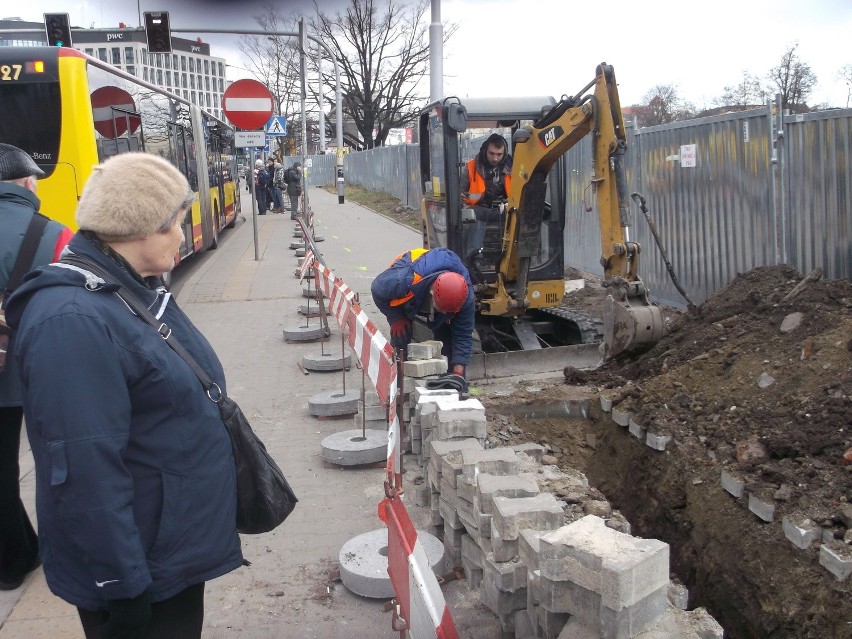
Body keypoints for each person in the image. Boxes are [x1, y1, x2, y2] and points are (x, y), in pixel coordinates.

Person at [5, 153, 244, 638]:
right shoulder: (73, 318)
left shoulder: (124, 290)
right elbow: (83, 466)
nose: (183, 233)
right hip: (139, 567)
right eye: (176, 224)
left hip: (163, 541)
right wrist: (120, 585)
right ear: (141, 228)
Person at [0, 144, 73, 592]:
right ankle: (59, 553)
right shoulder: (56, 234)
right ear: (29, 184)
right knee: (59, 462)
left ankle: (14, 558)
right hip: (42, 367)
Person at [370, 247, 474, 388]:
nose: (445, 313)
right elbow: (376, 290)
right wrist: (395, 318)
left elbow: (463, 334)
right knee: (401, 334)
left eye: (449, 312)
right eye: (442, 310)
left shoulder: (465, 297)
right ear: (432, 295)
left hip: (440, 292)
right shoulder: (403, 281)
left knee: (446, 345)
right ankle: (398, 385)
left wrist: (458, 374)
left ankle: (445, 386)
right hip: (412, 281)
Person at [459, 134, 513, 264]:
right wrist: (468, 198)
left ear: (504, 153)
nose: (495, 158)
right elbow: (461, 195)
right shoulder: (470, 168)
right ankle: (473, 258)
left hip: (504, 211)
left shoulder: (513, 169)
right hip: (478, 211)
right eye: (492, 153)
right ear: (485, 150)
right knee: (474, 216)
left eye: (499, 154)